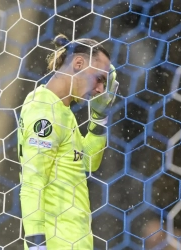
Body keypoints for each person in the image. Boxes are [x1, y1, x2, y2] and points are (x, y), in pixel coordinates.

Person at [17, 34, 119, 250]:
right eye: (99, 78)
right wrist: (37, 245)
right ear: (78, 63)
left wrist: (99, 117)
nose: (101, 89)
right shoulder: (44, 111)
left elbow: (87, 162)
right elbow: (32, 184)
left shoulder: (62, 109)